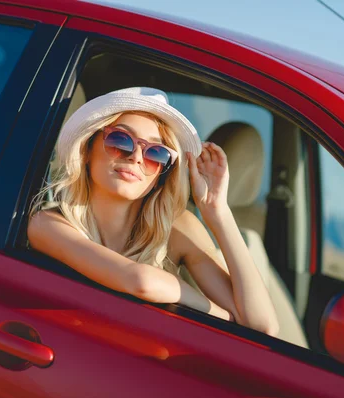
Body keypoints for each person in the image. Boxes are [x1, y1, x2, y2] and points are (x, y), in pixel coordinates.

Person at [28, 87, 279, 336]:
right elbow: (141, 281)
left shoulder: (179, 228)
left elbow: (262, 327)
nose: (136, 157)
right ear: (86, 150)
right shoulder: (47, 225)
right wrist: (221, 315)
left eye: (155, 153)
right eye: (120, 140)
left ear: (162, 173)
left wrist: (218, 211)